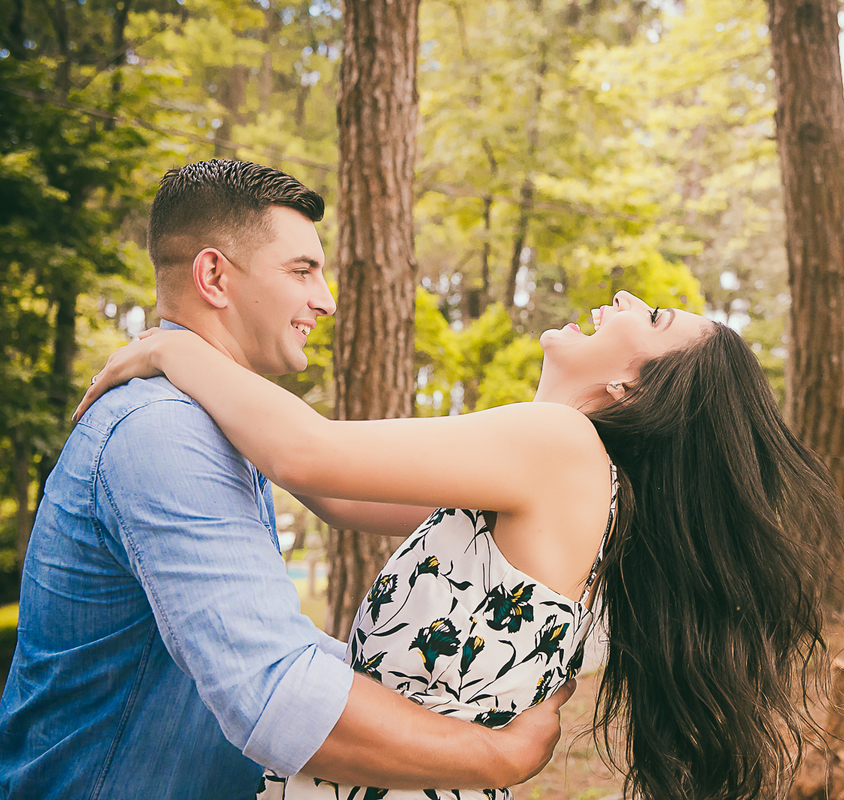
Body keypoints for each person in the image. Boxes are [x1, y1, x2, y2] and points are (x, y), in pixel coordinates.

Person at [76, 281, 844, 799]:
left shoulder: (559, 447)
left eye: (652, 320)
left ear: (633, 388)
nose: (624, 298)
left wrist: (172, 348)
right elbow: (335, 490)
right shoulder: (552, 476)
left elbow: (307, 452)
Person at [0, 160, 570, 799]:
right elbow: (273, 693)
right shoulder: (161, 430)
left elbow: (272, 629)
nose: (325, 300)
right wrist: (496, 757)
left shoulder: (212, 423)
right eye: (302, 271)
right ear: (214, 276)